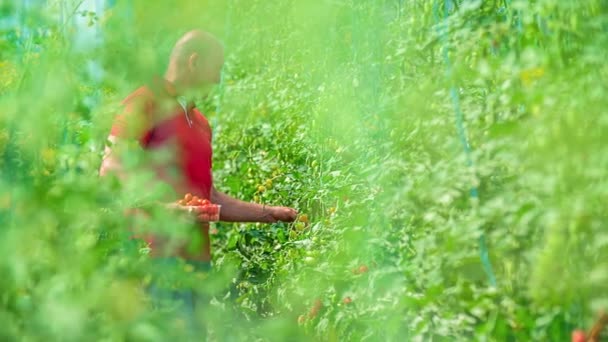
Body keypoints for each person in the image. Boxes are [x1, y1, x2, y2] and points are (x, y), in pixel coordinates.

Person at [99, 29, 298, 336]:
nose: (217, 80)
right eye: (215, 70)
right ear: (194, 62)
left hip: (197, 267)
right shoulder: (143, 103)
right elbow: (111, 170)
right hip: (157, 261)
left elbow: (209, 196)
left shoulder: (200, 122)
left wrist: (269, 213)